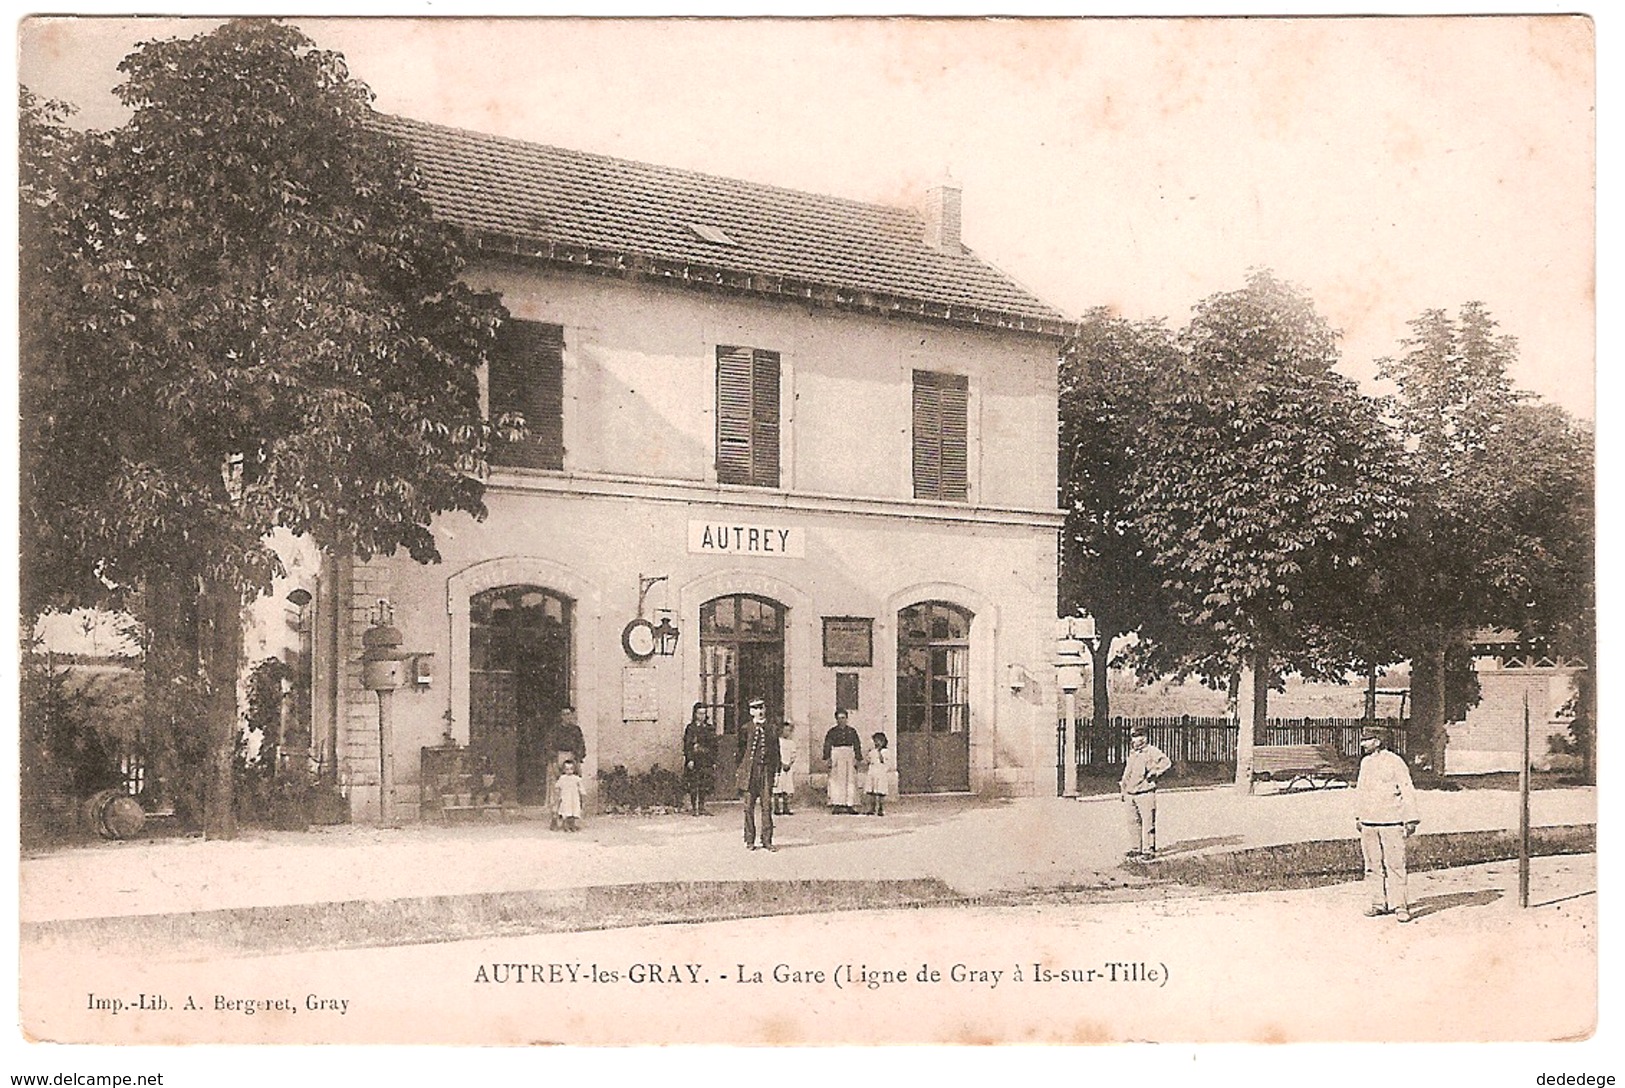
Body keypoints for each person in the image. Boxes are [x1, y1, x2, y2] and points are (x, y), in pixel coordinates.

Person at [1355, 725, 1420, 922]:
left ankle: (1400, 905)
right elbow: (1361, 790)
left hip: (1391, 821)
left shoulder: (1395, 762)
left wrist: (1411, 818)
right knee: (1372, 865)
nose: (1363, 743)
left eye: (1367, 739)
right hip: (1369, 822)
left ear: (1378, 741)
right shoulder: (1365, 762)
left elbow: (1407, 789)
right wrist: (1358, 816)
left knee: (1395, 865)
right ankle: (1378, 903)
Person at [1120, 725, 1171, 860]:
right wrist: (1123, 789)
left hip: (1145, 792)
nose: (1135, 739)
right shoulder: (1132, 753)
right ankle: (1136, 848)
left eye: (1137, 736)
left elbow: (1166, 762)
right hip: (1131, 792)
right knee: (1133, 821)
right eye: (1133, 737)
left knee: (1148, 822)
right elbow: (1127, 772)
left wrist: (1155, 772)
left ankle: (1148, 849)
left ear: (1144, 737)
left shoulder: (1151, 751)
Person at [737, 698, 780, 851]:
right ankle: (749, 840)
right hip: (750, 772)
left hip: (766, 772)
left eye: (761, 707)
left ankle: (767, 840)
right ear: (751, 712)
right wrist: (741, 772)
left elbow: (776, 752)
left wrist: (777, 773)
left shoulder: (772, 728)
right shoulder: (745, 728)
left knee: (767, 806)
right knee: (748, 807)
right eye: (755, 708)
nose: (760, 711)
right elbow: (740, 753)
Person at [545, 707, 586, 831]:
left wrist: (577, 759)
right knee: (556, 789)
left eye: (569, 714)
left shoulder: (576, 730)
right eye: (564, 714)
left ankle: (571, 821)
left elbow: (581, 745)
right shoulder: (555, 730)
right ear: (561, 716)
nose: (567, 717)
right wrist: (553, 761)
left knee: (573, 789)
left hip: (573, 759)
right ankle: (554, 818)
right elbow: (549, 746)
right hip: (558, 758)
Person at [822, 709, 863, 814]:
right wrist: (828, 758)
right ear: (836, 719)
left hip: (849, 755)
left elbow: (857, 745)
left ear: (847, 719)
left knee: (850, 780)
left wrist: (858, 758)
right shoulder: (832, 732)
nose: (841, 720)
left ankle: (849, 804)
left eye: (843, 718)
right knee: (836, 780)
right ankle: (837, 804)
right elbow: (827, 744)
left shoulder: (852, 731)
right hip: (836, 754)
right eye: (839, 718)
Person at [682, 702, 716, 816]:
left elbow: (713, 745)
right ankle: (694, 807)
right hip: (695, 760)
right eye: (699, 713)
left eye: (704, 713)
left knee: (704, 783)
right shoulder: (691, 728)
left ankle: (702, 807)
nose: (702, 716)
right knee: (694, 783)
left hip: (706, 760)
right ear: (695, 714)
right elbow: (687, 745)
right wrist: (690, 759)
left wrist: (713, 761)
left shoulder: (709, 728)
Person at [773, 721, 798, 816]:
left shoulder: (791, 743)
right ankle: (776, 808)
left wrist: (790, 764)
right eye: (785, 730)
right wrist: (782, 763)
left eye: (789, 731)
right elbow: (775, 754)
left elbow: (793, 755)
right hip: (779, 767)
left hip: (788, 768)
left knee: (787, 788)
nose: (787, 733)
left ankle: (786, 807)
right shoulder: (778, 742)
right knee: (777, 787)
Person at [863, 732, 890, 816]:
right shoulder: (872, 751)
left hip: (880, 772)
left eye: (879, 741)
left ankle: (881, 808)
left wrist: (879, 752)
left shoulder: (885, 751)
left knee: (880, 791)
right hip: (873, 771)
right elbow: (868, 761)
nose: (877, 743)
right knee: (871, 791)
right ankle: (872, 808)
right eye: (875, 741)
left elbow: (884, 761)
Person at [555, 757, 583, 832]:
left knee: (574, 811)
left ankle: (572, 825)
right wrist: (558, 795)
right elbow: (557, 786)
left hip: (574, 797)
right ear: (564, 770)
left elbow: (580, 787)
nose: (569, 771)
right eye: (567, 769)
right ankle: (566, 826)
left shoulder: (576, 778)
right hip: (566, 797)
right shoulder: (562, 778)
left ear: (574, 769)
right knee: (566, 811)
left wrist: (582, 793)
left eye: (571, 769)